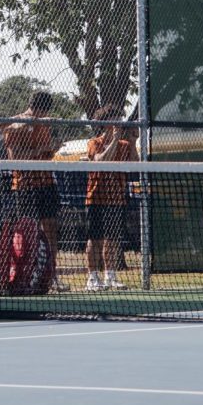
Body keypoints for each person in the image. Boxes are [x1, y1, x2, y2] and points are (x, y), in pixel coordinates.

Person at [0, 91, 65, 290]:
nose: (44, 116)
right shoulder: (15, 124)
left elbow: (46, 153)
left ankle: (51, 275)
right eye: (42, 112)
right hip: (24, 185)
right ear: (37, 108)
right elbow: (13, 156)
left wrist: (52, 149)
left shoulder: (44, 124)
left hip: (45, 182)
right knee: (26, 230)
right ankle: (24, 274)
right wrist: (36, 153)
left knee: (51, 228)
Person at [85, 105, 135, 292]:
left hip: (116, 199)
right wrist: (113, 140)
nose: (118, 123)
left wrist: (131, 140)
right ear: (104, 123)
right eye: (114, 119)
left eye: (119, 119)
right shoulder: (94, 142)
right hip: (96, 198)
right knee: (95, 239)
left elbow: (135, 164)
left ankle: (110, 276)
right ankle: (92, 278)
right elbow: (101, 161)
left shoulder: (124, 145)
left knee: (113, 239)